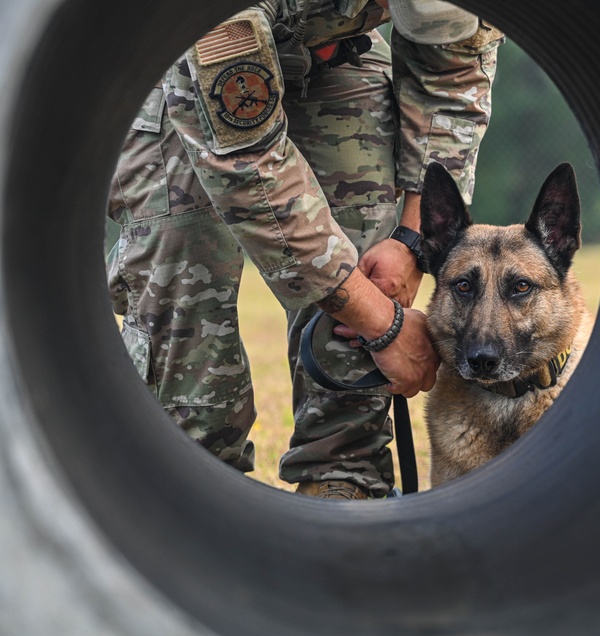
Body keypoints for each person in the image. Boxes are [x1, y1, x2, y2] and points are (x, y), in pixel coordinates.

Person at [106, 0, 503, 499]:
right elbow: (249, 169)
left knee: (368, 252)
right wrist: (382, 325)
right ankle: (188, 485)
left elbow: (451, 73)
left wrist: (411, 241)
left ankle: (343, 477)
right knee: (185, 263)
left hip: (333, 52)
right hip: (183, 53)